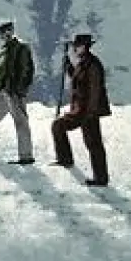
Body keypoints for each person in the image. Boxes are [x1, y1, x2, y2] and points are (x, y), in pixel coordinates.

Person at [51, 33, 112, 186]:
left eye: (76, 46)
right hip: (81, 109)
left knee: (93, 143)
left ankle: (100, 178)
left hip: (87, 111)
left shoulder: (93, 65)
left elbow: (95, 90)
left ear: (84, 46)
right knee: (60, 127)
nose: (74, 49)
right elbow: (79, 80)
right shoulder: (84, 62)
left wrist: (91, 112)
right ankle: (66, 159)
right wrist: (69, 68)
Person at [0, 19, 35, 164]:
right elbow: (1, 69)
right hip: (5, 92)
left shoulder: (22, 47)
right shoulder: (5, 50)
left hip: (15, 92)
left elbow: (27, 70)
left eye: (6, 31)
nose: (4, 35)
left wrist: (20, 89)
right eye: (1, 32)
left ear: (12, 31)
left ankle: (26, 156)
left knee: (21, 123)